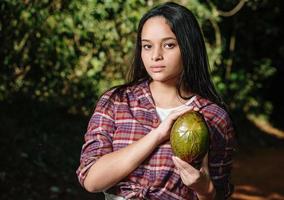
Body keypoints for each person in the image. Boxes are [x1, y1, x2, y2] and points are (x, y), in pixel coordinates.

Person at [77, 2, 235, 200]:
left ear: (188, 47)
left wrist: (204, 189)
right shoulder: (116, 102)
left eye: (169, 45)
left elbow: (218, 195)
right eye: (147, 46)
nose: (155, 56)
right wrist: (158, 134)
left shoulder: (213, 118)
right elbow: (92, 180)